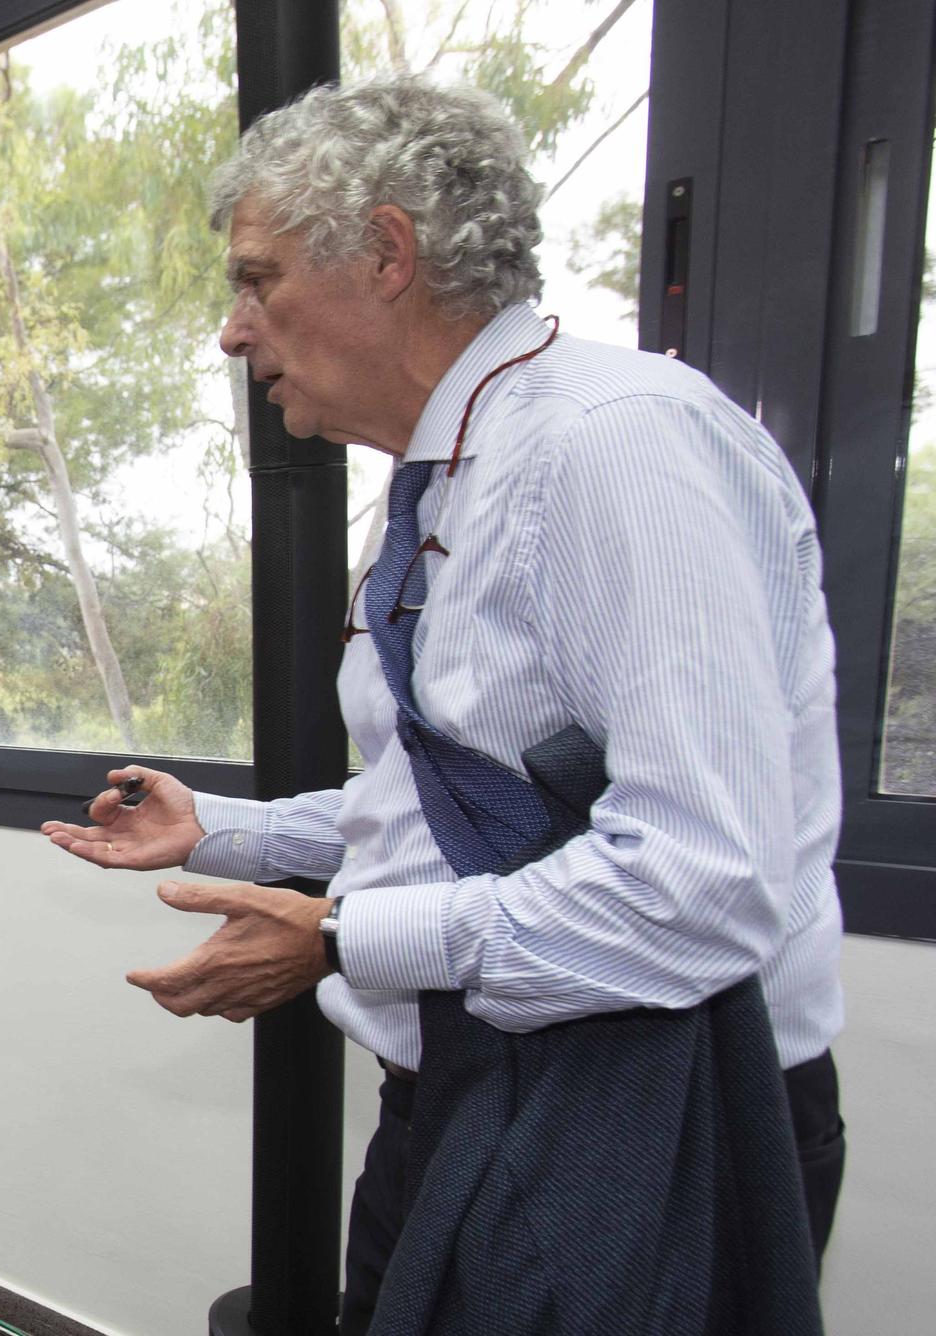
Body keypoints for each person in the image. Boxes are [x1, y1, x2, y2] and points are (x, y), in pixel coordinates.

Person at [41, 76, 844, 1333]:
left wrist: (342, 938)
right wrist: (220, 833)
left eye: (256, 279)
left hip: (645, 1115)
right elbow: (456, 801)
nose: (230, 330)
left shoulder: (610, 445)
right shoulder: (446, 478)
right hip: (465, 1089)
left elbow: (703, 877)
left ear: (386, 253)